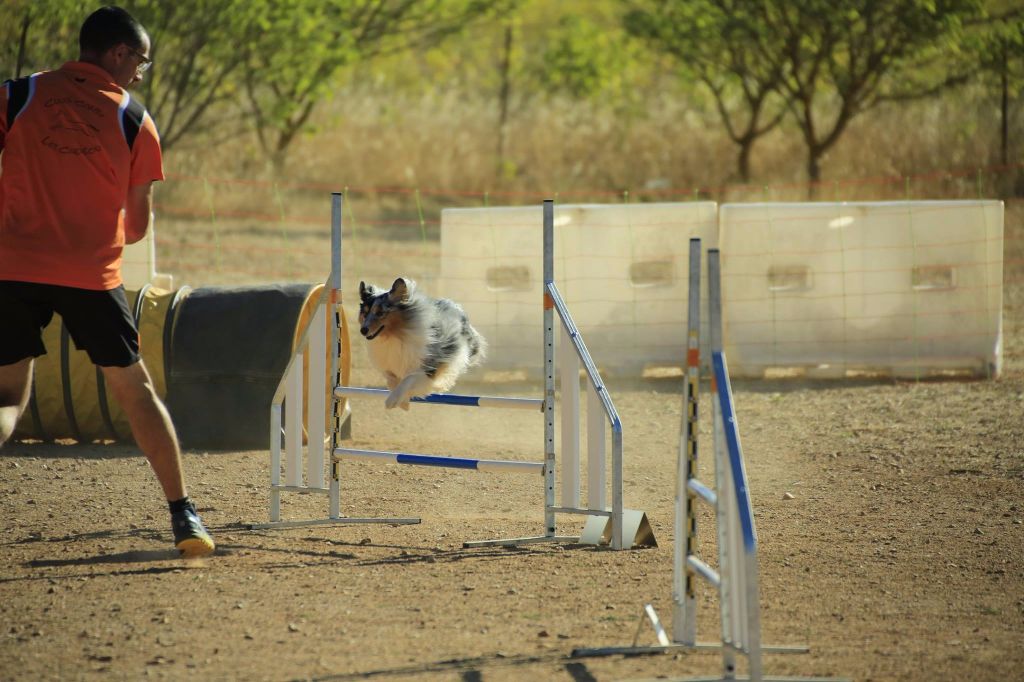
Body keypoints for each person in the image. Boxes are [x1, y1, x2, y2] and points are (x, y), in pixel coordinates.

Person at [0, 6, 215, 558]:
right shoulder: (134, 119)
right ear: (118, 53)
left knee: (6, 398)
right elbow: (139, 226)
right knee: (136, 393)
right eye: (141, 60)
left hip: (12, 267)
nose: (142, 72)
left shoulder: (17, 95)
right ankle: (184, 515)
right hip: (91, 275)